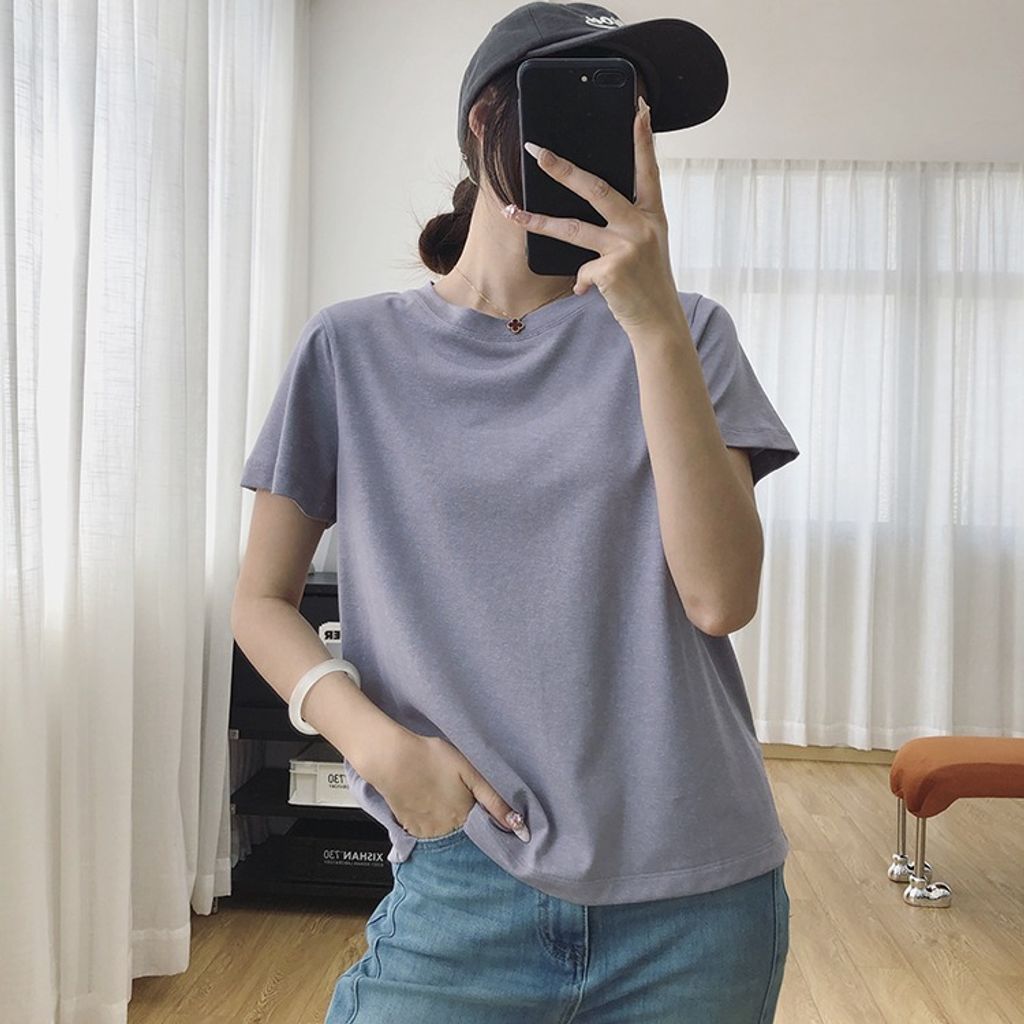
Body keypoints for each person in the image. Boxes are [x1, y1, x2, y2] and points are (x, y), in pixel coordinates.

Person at [232, 3, 801, 1021]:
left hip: (696, 901)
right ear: (487, 119)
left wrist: (653, 325)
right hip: (464, 879)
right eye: (580, 103)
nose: (613, 135)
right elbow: (260, 600)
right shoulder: (350, 350)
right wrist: (374, 744)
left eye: (630, 113)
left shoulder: (690, 334)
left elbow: (720, 598)